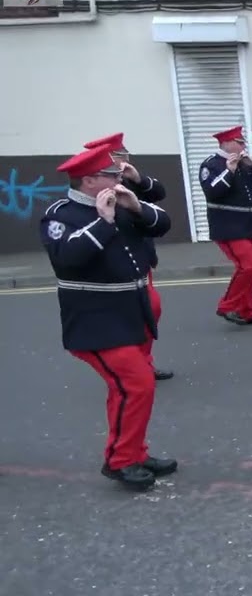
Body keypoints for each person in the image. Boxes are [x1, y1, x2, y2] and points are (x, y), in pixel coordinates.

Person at [40, 145, 177, 491]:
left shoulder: (121, 203)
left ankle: (134, 451)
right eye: (111, 175)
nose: (119, 179)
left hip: (131, 313)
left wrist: (136, 206)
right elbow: (69, 257)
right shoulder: (61, 215)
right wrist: (104, 222)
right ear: (88, 180)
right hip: (95, 321)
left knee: (130, 388)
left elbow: (162, 225)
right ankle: (120, 460)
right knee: (136, 384)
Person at [83, 132, 173, 381]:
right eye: (120, 156)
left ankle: (144, 361)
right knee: (128, 316)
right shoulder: (99, 187)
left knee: (151, 309)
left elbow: (158, 194)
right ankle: (133, 364)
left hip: (140, 254)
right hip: (113, 262)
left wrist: (138, 178)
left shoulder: (128, 180)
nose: (125, 160)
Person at [199, 125, 252, 326]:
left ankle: (246, 311)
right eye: (239, 142)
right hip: (227, 226)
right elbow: (212, 191)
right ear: (227, 143)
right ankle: (227, 305)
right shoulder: (212, 164)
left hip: (246, 223)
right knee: (248, 266)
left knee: (251, 268)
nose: (242, 146)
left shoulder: (243, 163)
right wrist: (228, 170)